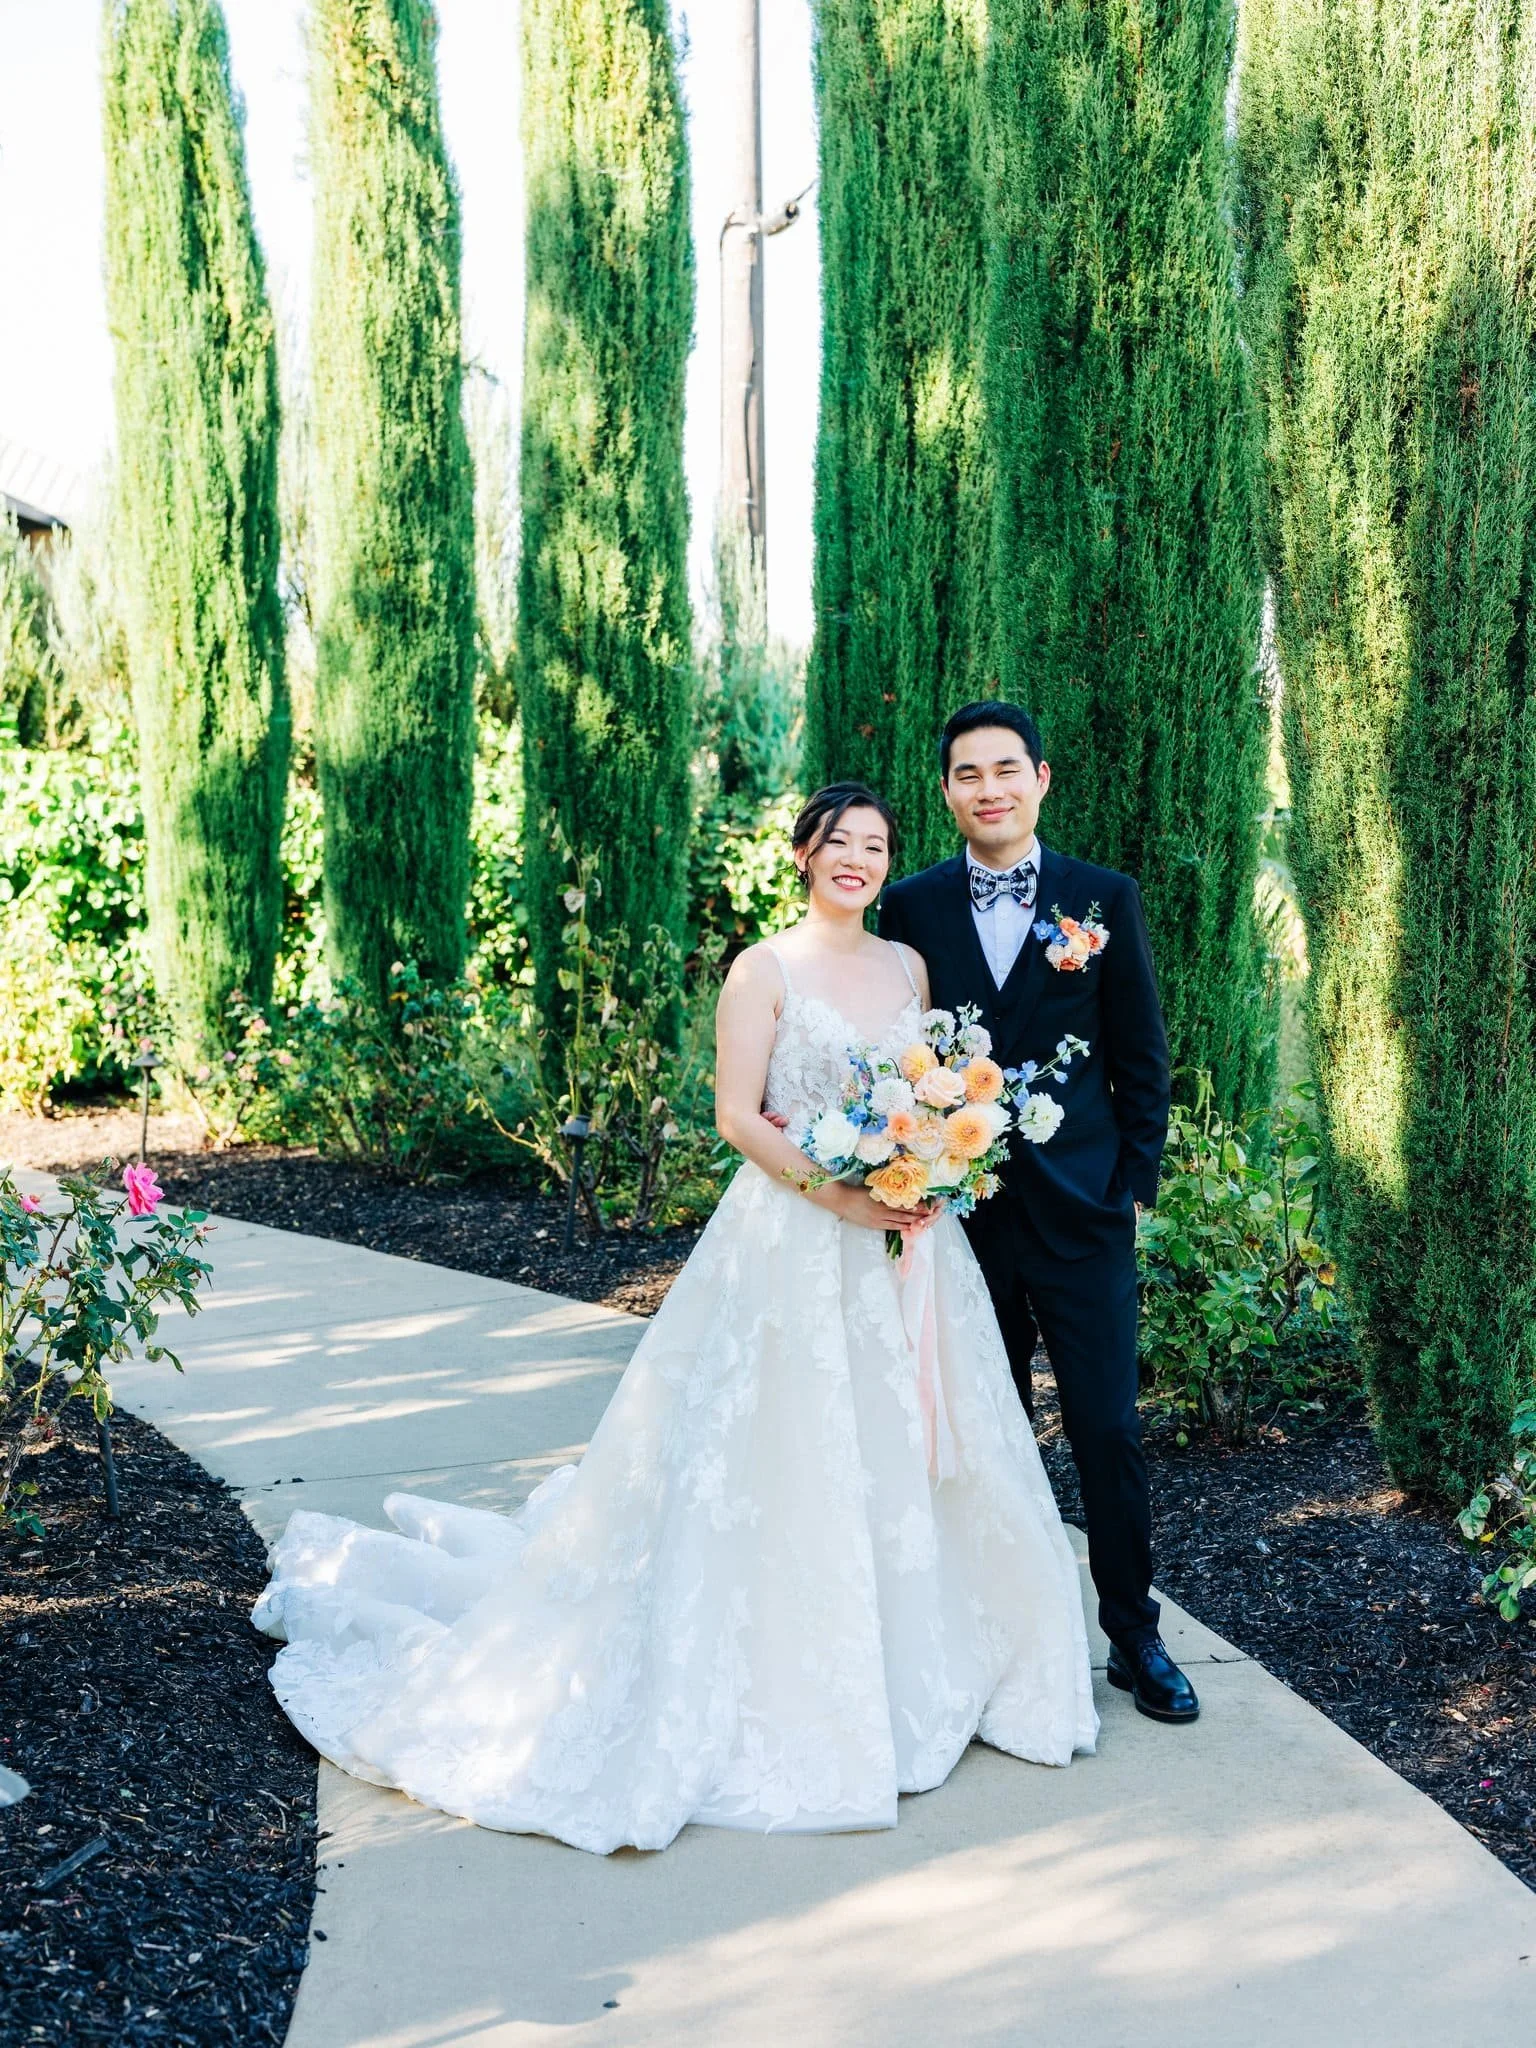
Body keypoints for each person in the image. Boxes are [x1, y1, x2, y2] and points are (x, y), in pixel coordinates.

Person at [253, 782, 1098, 1855]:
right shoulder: (764, 968)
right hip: (797, 1237)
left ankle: (917, 1668)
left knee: (902, 1451)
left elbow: (922, 1086)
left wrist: (928, 1158)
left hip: (905, 1248)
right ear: (803, 853)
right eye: (839, 842)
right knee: (785, 1454)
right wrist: (840, 1191)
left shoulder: (907, 966)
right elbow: (737, 1113)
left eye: (876, 846)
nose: (858, 860)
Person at [880, 701, 1197, 1724]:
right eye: (968, 773)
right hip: (965, 1219)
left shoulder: (1101, 898)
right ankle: (1003, 1633)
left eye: (1006, 769)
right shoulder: (915, 909)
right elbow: (900, 1056)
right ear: (947, 791)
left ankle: (1132, 1634)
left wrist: (1129, 1185)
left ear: (1041, 779)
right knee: (990, 1430)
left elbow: (1141, 1054)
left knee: (1106, 1425)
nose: (989, 789)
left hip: (1085, 1215)